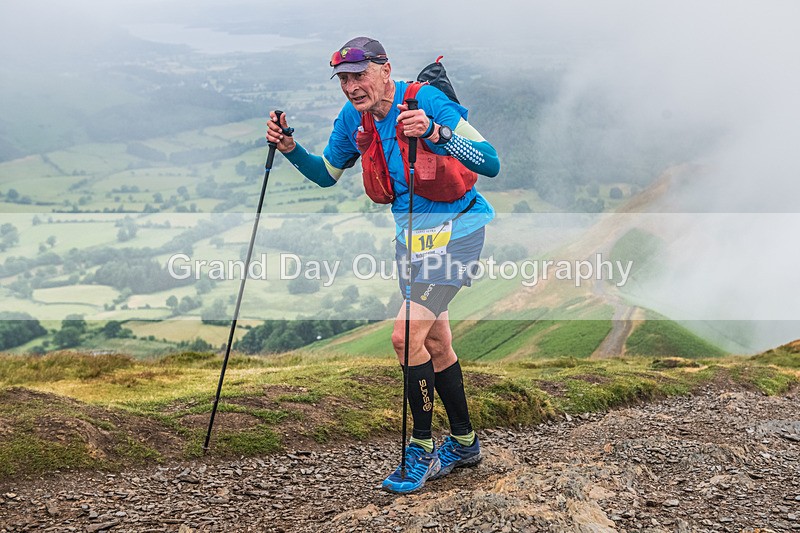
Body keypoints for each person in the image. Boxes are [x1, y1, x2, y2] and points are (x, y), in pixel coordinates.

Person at [266, 36, 500, 493]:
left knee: (404, 336)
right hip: (411, 239)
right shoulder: (353, 118)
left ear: (385, 69)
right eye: (344, 79)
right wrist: (290, 147)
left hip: (460, 232)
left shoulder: (426, 100)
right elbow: (325, 175)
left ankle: (421, 449)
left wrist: (437, 133)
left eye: (360, 75)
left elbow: (490, 163)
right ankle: (465, 442)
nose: (352, 87)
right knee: (435, 341)